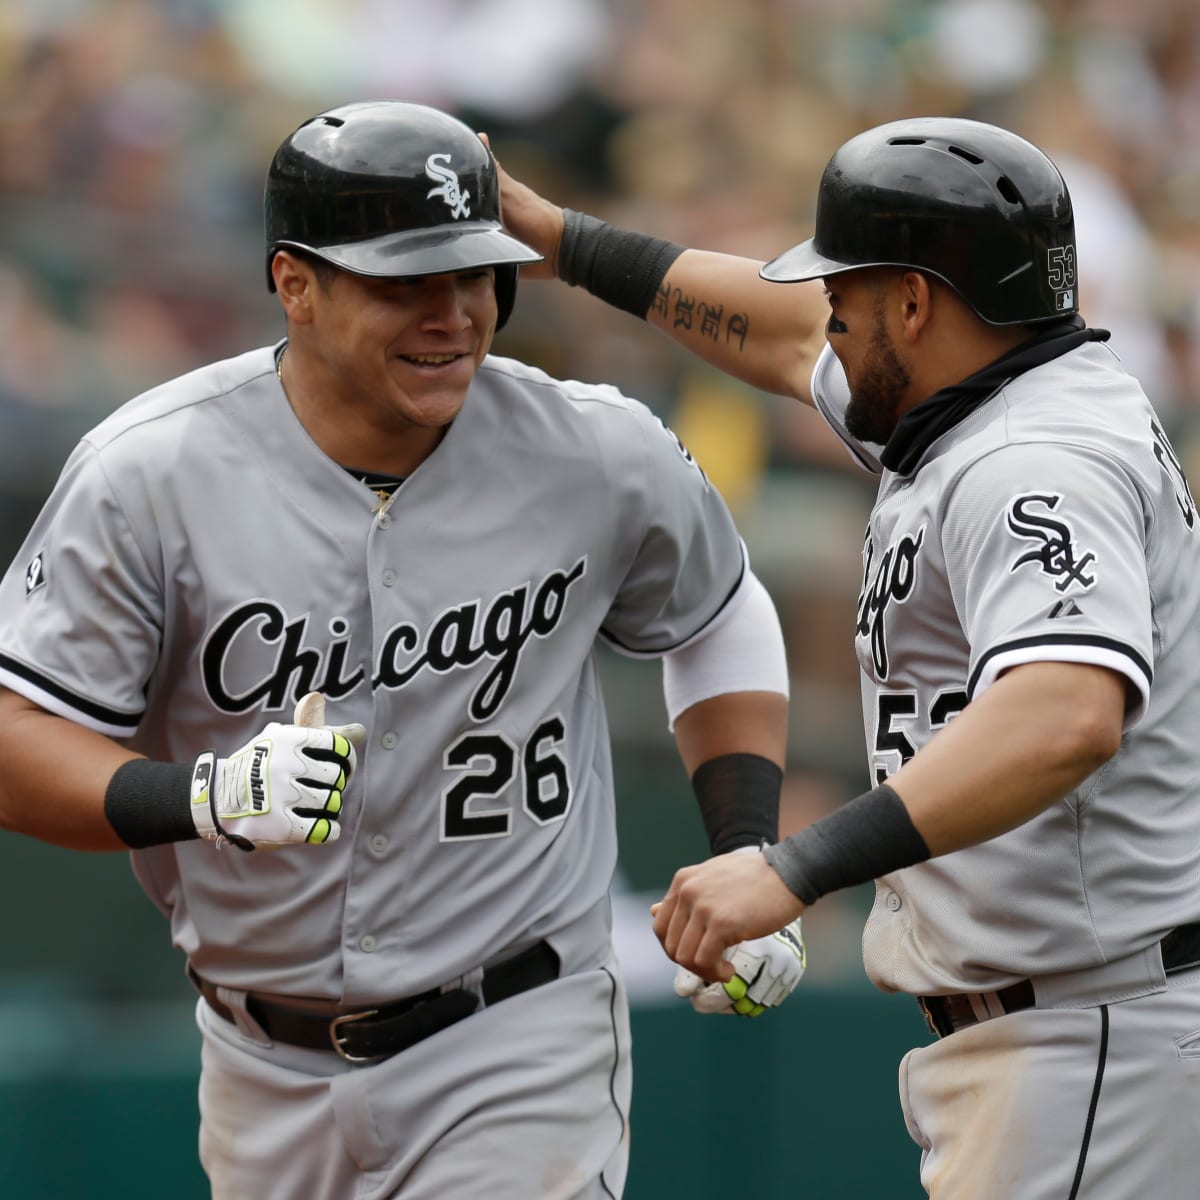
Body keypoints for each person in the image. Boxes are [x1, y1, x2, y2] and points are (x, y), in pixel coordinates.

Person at [0, 100, 808, 1200]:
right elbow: (16, 740)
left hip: (518, 1032)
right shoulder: (151, 471)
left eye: (473, 275)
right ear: (295, 283)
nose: (453, 314)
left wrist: (745, 846)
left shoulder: (593, 446)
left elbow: (719, 613)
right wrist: (207, 795)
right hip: (257, 1058)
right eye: (404, 282)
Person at [496, 116, 1200, 1198]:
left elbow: (1066, 711)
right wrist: (566, 244)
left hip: (1096, 1032)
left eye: (847, 295)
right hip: (1079, 1022)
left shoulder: (1030, 459)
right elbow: (777, 334)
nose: (824, 317)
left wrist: (792, 868)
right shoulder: (980, 394)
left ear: (915, 304)